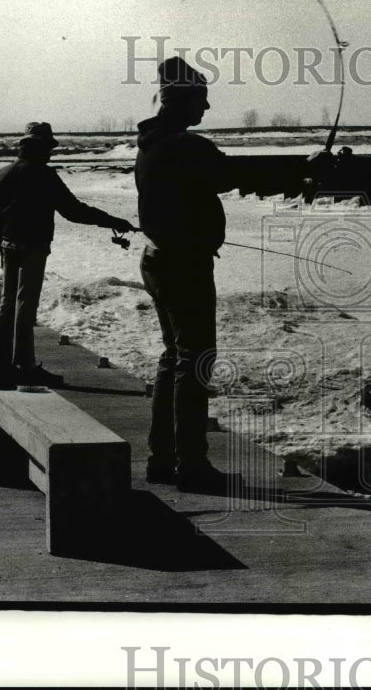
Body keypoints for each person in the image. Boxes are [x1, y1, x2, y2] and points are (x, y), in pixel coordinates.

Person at [136, 56, 237, 490]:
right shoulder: (184, 146)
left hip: (158, 259)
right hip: (185, 266)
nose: (207, 110)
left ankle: (163, 459)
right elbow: (234, 175)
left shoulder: (151, 142)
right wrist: (307, 168)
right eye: (202, 100)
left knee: (173, 357)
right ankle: (191, 464)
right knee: (195, 361)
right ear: (182, 101)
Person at [0, 122, 134, 388]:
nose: (51, 153)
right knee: (25, 305)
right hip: (34, 245)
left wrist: (1, 244)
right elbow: (73, 211)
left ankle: (1, 365)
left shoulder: (6, 173)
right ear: (37, 148)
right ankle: (25, 366)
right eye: (48, 148)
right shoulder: (44, 175)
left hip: (9, 244)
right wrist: (112, 221)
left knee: (7, 303)